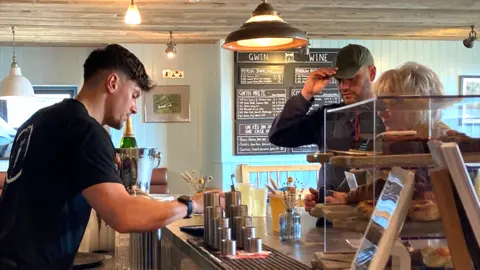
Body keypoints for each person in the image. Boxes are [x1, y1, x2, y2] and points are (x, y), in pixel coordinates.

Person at [0, 44, 218, 270]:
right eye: (134, 95)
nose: (134, 108)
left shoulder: (39, 120)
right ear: (113, 83)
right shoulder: (85, 130)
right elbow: (124, 215)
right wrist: (193, 204)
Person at [268, 44, 384, 217]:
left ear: (372, 73)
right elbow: (280, 136)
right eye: (339, 80)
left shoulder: (388, 116)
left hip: (372, 219)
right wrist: (306, 94)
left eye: (352, 78)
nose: (344, 86)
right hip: (329, 224)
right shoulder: (326, 116)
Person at [323, 62, 449, 205]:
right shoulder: (399, 141)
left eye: (391, 105)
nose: (381, 113)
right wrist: (346, 197)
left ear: (418, 106)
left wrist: (350, 198)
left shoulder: (444, 143)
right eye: (382, 105)